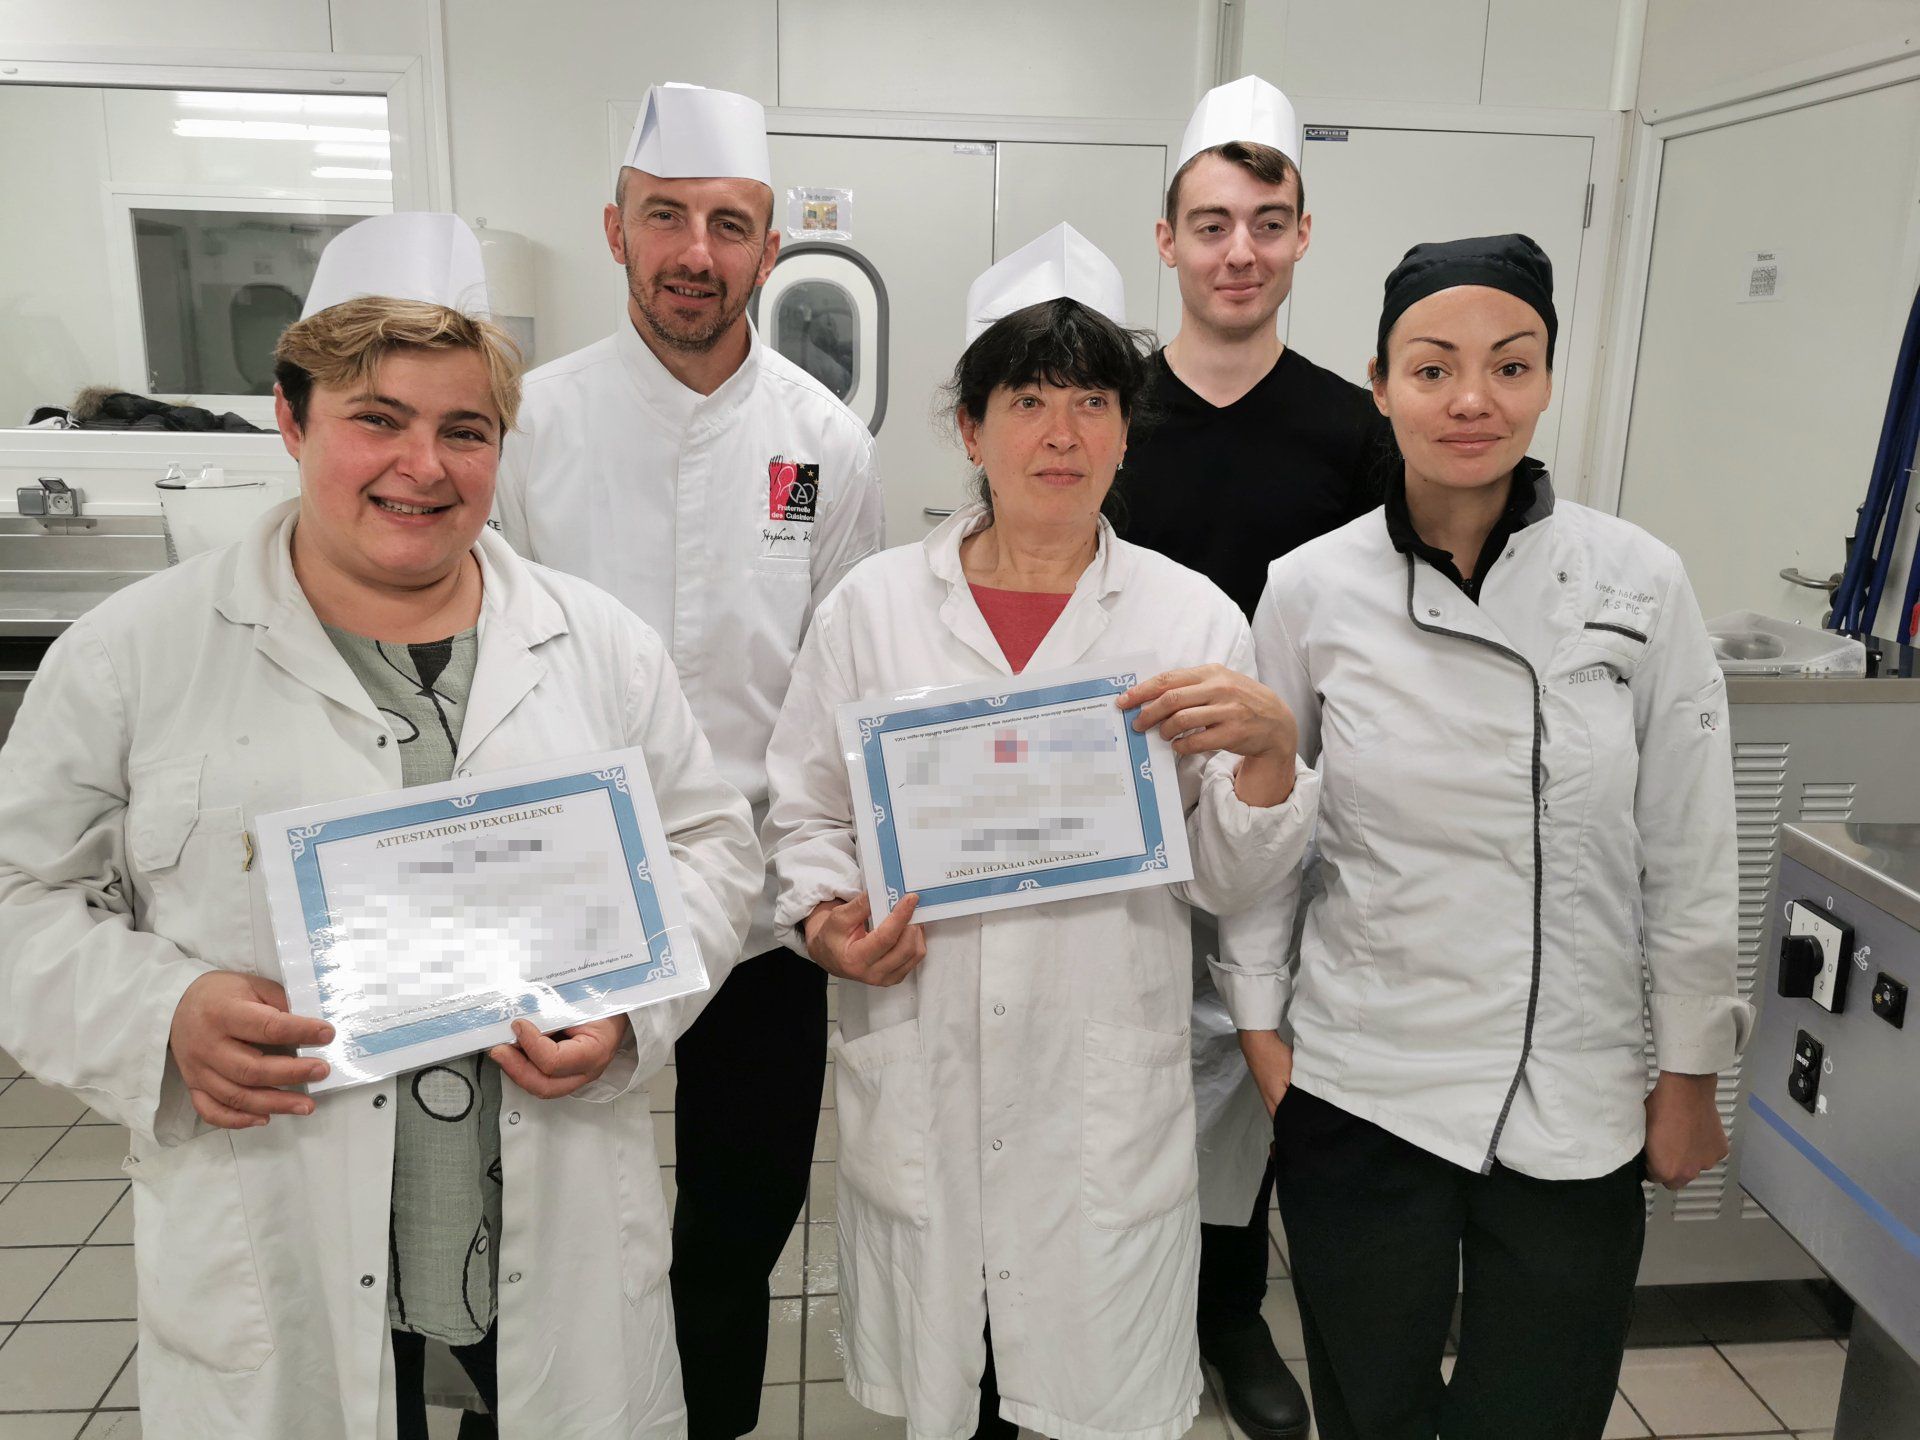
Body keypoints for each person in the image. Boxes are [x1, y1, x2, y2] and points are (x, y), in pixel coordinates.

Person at [0, 212, 762, 1439]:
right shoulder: (134, 655)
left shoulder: (596, 644)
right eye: (378, 419)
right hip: (280, 1213)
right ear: (292, 420)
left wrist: (631, 1010)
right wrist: (163, 1014)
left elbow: (712, 845)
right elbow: (18, 893)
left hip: (549, 1204)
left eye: (466, 430)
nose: (424, 465)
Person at [762, 224, 1320, 1440]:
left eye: (1092, 403)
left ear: (1126, 432)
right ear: (970, 430)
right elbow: (804, 812)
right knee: (949, 1389)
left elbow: (1227, 883)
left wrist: (1270, 760)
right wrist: (828, 923)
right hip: (924, 1046)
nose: (1061, 434)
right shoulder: (873, 610)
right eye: (1026, 401)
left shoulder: (1192, 618)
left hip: (1097, 1074)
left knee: (1087, 1390)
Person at [1237, 233, 1753, 1440]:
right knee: (1371, 1412)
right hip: (1366, 1084)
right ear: (1380, 385)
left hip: (1574, 1083)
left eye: (1510, 366)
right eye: (1432, 368)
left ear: (1548, 381)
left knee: (1543, 1414)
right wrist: (1263, 1033)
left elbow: (1690, 846)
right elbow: (1266, 833)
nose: (1471, 399)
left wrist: (1690, 1070)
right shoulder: (1310, 588)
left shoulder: (1639, 581)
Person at [490, 82, 885, 1439]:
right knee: (546, 1214)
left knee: (736, 1220)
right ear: (615, 230)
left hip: (760, 911)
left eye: (728, 224)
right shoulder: (529, 426)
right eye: (666, 217)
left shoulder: (825, 446)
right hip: (566, 900)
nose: (695, 253)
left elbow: (838, 682)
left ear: (771, 248)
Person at [1116, 75, 1387, 1440]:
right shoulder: (1107, 414)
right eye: (1212, 224)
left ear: (1302, 237)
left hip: (1283, 808)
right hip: (1110, 807)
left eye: (1267, 225)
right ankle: (1116, 1298)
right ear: (1166, 239)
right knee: (1113, 1063)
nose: (1240, 252)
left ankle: (1228, 1308)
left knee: (1256, 1055)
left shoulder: (1355, 432)